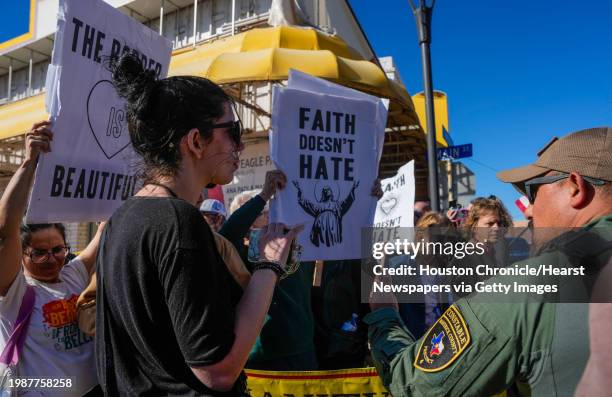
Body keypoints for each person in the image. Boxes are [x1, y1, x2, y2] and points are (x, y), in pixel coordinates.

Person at [96, 53, 302, 395]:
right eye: (232, 132)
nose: (239, 145)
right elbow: (217, 372)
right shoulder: (178, 222)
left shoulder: (122, 216)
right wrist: (269, 264)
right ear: (195, 141)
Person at [365, 127, 612, 396]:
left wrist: (385, 314)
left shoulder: (534, 283)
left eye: (532, 191)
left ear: (576, 187)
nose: (529, 209)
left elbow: (412, 384)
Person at [0, 120, 104, 396]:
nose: (51, 259)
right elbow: (5, 228)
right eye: (39, 253)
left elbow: (107, 226)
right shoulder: (15, 292)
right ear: (21, 254)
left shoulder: (73, 274)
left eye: (58, 250)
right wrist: (29, 163)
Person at [219, 170, 317, 371]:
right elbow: (229, 233)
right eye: (262, 212)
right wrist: (263, 196)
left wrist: (369, 200)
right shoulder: (241, 253)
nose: (270, 212)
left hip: (301, 349)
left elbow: (342, 232)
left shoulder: (299, 242)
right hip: (260, 354)